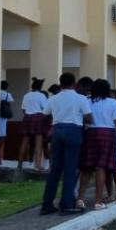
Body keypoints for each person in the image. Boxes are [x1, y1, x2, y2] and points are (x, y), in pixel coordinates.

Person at [40, 74, 92, 215]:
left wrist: (49, 130)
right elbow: (89, 117)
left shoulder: (53, 98)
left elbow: (44, 115)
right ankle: (66, 204)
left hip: (57, 130)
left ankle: (47, 204)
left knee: (55, 170)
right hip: (74, 130)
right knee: (70, 169)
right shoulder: (81, 98)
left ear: (60, 83)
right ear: (74, 83)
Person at [83, 79, 116, 209]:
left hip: (91, 133)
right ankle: (98, 200)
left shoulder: (88, 101)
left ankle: (80, 198)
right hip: (108, 134)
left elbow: (85, 119)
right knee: (103, 166)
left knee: (87, 167)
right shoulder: (112, 102)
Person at [18, 78, 48, 172]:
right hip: (38, 118)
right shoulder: (42, 96)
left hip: (27, 117)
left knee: (25, 141)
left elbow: (23, 109)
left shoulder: (26, 95)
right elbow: (45, 109)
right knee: (38, 143)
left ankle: (20, 165)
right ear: (40, 87)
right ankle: (38, 165)